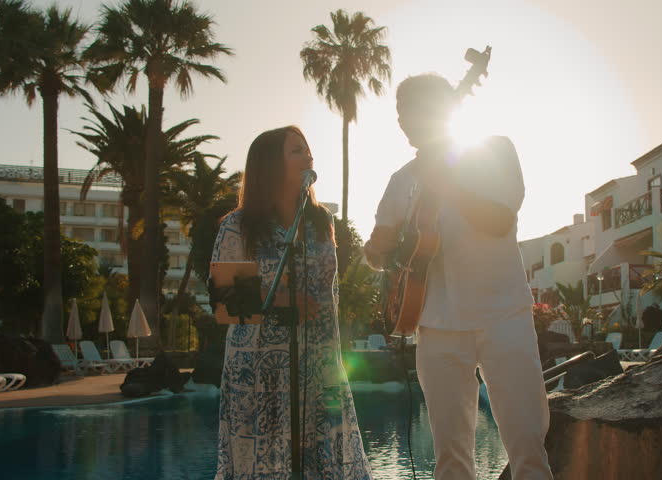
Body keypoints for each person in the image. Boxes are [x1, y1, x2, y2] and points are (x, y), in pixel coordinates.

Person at [364, 74, 553, 480]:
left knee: (527, 447)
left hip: (505, 317)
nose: (402, 121)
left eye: (411, 110)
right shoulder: (401, 180)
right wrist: (383, 249)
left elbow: (500, 220)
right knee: (451, 460)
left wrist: (448, 183)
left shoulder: (495, 150)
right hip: (435, 326)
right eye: (399, 112)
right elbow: (377, 254)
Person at [211, 126, 372, 479]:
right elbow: (224, 301)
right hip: (257, 374)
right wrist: (280, 298)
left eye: (308, 149)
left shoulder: (321, 222)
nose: (308, 156)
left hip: (316, 363)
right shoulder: (238, 225)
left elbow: (329, 290)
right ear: (270, 165)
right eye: (297, 150)